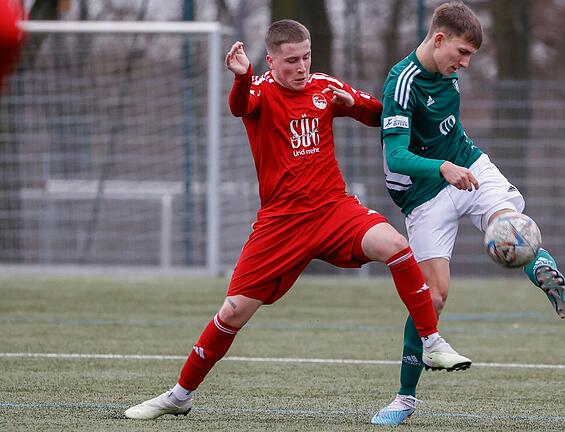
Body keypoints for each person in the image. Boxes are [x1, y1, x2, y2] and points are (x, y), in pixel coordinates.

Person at [124, 19, 471, 421]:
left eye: (306, 56)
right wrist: (241, 77)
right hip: (281, 223)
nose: (302, 66)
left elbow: (381, 115)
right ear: (271, 60)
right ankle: (179, 395)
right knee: (233, 312)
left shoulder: (323, 86)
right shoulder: (259, 90)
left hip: (333, 210)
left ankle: (430, 340)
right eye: (291, 60)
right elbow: (240, 107)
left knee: (395, 245)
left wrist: (352, 104)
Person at [371, 1, 565, 425]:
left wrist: (455, 165)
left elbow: (444, 133)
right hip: (425, 193)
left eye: (470, 57)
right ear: (439, 39)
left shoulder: (449, 74)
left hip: (469, 166)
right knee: (433, 297)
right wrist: (442, 169)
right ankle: (404, 399)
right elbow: (396, 154)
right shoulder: (402, 82)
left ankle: (543, 270)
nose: (465, 64)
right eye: (462, 54)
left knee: (508, 223)